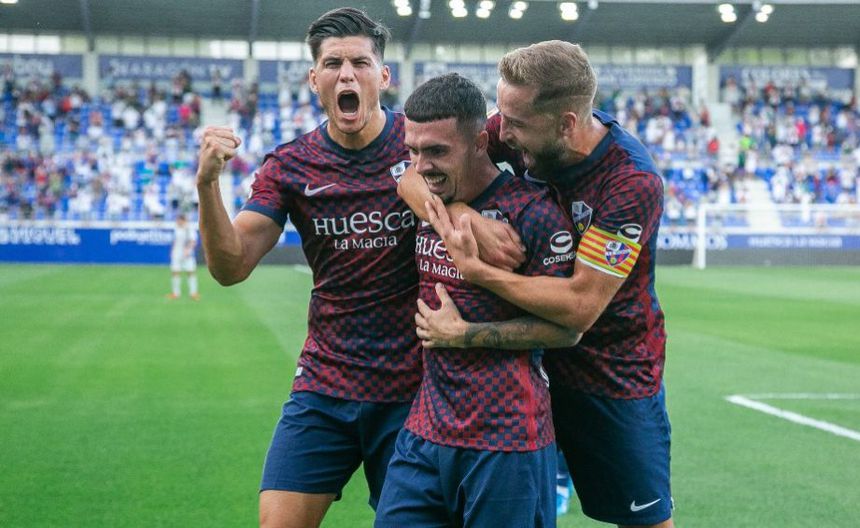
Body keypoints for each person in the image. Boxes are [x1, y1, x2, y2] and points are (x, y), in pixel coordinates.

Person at [406, 41, 673, 528]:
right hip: (522, 375)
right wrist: (465, 214)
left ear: (566, 123)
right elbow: (409, 178)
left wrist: (481, 272)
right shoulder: (517, 127)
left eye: (515, 123)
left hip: (610, 374)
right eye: (501, 116)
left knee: (645, 521)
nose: (502, 132)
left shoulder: (630, 182)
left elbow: (579, 306)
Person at [195, 8, 423, 528]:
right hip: (326, 383)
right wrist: (207, 185)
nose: (347, 75)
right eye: (334, 64)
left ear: (384, 76)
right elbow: (231, 266)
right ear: (314, 79)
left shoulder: (422, 148)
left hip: (412, 390)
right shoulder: (291, 165)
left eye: (360, 63)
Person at [375, 73, 581, 528]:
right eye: (413, 151)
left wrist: (466, 335)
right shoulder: (431, 198)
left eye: (436, 151)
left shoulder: (533, 215)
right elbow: (405, 180)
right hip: (426, 430)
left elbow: (567, 328)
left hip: (507, 438)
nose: (422, 166)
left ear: (481, 143)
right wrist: (459, 214)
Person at [167, 213, 199, 300]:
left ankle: (193, 293)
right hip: (177, 253)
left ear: (183, 220)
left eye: (179, 220)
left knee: (190, 272)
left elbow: (193, 241)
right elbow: (175, 241)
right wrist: (172, 251)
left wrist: (188, 250)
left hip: (187, 254)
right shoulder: (176, 229)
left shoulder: (189, 229)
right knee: (175, 272)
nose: (177, 222)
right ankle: (176, 293)